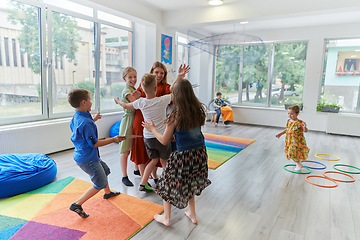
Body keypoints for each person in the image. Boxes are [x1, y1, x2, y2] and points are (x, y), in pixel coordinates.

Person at [142, 77, 211, 226]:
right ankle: (192, 214)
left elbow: (164, 140)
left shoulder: (175, 115)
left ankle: (166, 218)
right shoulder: (197, 110)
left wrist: (152, 129)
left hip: (183, 156)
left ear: (177, 95)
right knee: (191, 182)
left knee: (166, 185)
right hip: (199, 154)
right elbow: (189, 132)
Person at [68, 88, 125, 218]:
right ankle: (77, 204)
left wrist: (93, 119)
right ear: (83, 102)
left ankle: (108, 193)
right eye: (90, 100)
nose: (91, 102)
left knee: (105, 171)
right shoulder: (86, 122)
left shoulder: (78, 115)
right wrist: (114, 139)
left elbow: (80, 130)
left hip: (84, 155)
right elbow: (94, 143)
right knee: (100, 183)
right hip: (88, 159)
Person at [130, 62, 189, 185]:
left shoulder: (165, 86)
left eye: (162, 73)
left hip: (158, 124)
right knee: (144, 150)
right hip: (143, 120)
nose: (159, 75)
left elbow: (173, 90)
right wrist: (134, 97)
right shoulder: (144, 84)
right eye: (156, 72)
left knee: (157, 153)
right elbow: (136, 101)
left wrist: (180, 76)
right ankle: (147, 179)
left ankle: (155, 178)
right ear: (151, 72)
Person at [116, 73, 173, 192]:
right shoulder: (162, 100)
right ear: (156, 88)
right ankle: (168, 185)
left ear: (142, 89)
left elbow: (126, 105)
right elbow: (175, 94)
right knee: (164, 162)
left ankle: (143, 182)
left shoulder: (140, 102)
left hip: (148, 138)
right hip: (161, 137)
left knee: (153, 161)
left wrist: (117, 100)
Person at [115, 67, 140, 187]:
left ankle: (136, 169)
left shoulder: (133, 88)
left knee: (134, 146)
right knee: (125, 150)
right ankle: (124, 176)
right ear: (124, 78)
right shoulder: (127, 91)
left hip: (134, 120)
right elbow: (136, 104)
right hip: (128, 121)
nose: (133, 79)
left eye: (134, 76)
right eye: (130, 77)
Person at [275, 105, 309, 171]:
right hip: (289, 140)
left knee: (293, 153)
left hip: (297, 141)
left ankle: (299, 164)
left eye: (292, 114)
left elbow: (305, 131)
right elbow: (287, 129)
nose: (290, 115)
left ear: (297, 114)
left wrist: (304, 127)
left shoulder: (300, 123)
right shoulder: (289, 121)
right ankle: (298, 163)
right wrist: (280, 134)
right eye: (288, 113)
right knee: (292, 153)